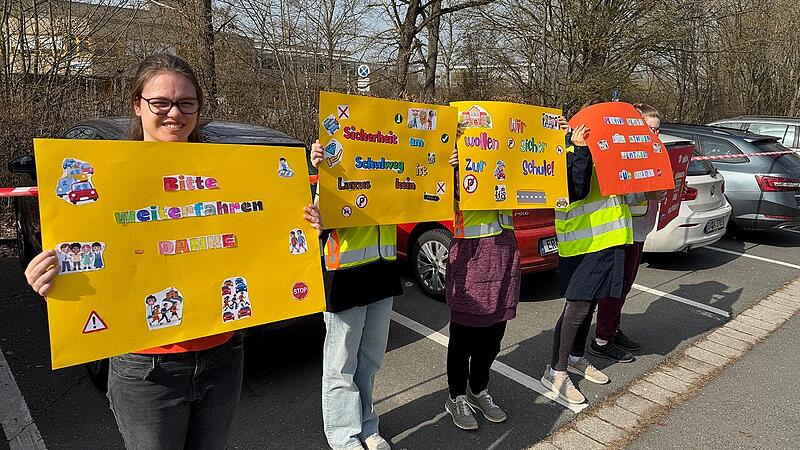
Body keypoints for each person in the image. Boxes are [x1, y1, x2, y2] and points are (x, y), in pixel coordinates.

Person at [23, 53, 322, 449]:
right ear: (137, 105)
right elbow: (89, 254)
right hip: (146, 369)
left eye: (186, 103)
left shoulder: (232, 175)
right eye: (160, 102)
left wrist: (304, 224)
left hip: (223, 355)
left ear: (198, 107)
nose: (174, 113)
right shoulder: (105, 174)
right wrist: (47, 275)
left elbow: (264, 240)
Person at [311, 141, 402, 450]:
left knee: (371, 360)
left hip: (383, 270)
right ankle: (343, 436)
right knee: (341, 363)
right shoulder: (333, 160)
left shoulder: (392, 159)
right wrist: (322, 168)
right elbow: (315, 219)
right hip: (345, 274)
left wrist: (446, 162)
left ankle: (367, 425)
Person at [541, 119, 631, 404]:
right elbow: (573, 190)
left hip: (609, 239)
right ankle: (556, 371)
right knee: (577, 306)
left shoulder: (608, 148)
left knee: (591, 303)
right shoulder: (567, 148)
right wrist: (580, 150)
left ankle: (577, 357)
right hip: (582, 242)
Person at [443, 123, 520, 431]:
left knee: (493, 333)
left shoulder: (506, 160)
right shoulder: (449, 166)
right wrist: (453, 170)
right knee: (464, 334)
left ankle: (479, 388)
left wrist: (554, 137)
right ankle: (456, 395)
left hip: (503, 253)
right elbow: (434, 195)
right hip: (470, 256)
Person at [589, 103, 665, 362]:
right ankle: (601, 340)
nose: (654, 136)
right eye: (649, 129)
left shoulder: (651, 154)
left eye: (658, 130)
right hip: (622, 232)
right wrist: (648, 189)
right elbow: (619, 194)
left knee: (625, 286)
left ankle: (612, 330)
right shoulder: (624, 155)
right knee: (615, 287)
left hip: (640, 231)